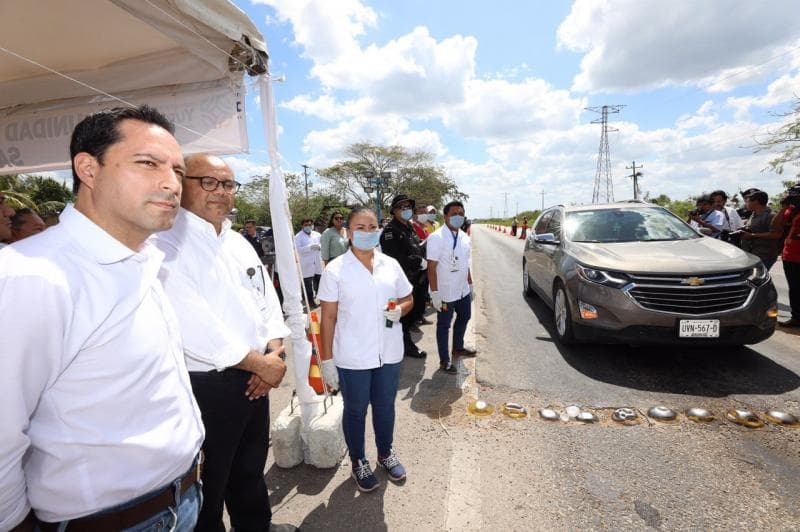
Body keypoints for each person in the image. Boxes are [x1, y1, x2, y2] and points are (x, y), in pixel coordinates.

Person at [0, 106, 205, 531]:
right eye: (147, 163)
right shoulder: (31, 276)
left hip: (183, 500)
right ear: (88, 169)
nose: (171, 183)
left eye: (178, 171)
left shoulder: (144, 261)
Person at [155, 154, 295, 532]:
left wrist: (274, 351)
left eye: (229, 184)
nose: (221, 192)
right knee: (209, 481)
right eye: (209, 182)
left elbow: (266, 302)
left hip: (258, 376)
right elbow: (194, 325)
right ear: (181, 185)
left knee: (250, 469)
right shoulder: (166, 244)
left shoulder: (237, 242)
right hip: (209, 386)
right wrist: (261, 365)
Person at [317, 206, 413, 492]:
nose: (367, 232)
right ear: (348, 232)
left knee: (385, 407)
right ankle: (359, 460)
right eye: (360, 227)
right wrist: (327, 361)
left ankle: (385, 453)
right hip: (353, 356)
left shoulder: (390, 265)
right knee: (356, 410)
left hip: (389, 353)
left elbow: (408, 297)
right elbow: (328, 318)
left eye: (372, 227)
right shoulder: (335, 270)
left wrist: (400, 310)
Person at [427, 200, 477, 374]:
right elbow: (431, 267)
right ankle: (444, 360)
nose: (458, 217)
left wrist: (470, 284)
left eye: (461, 214)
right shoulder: (436, 237)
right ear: (445, 216)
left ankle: (458, 348)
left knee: (465, 316)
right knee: (444, 325)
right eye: (454, 214)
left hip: (462, 289)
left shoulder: (464, 237)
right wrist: (435, 293)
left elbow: (465, 263)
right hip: (445, 292)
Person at [380, 194, 428, 359]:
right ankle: (405, 346)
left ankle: (402, 342)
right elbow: (394, 257)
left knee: (416, 311)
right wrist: (417, 261)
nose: (406, 210)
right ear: (394, 210)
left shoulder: (410, 227)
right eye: (402, 207)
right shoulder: (390, 231)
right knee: (403, 316)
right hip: (402, 279)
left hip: (417, 277)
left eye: (409, 207)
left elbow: (415, 246)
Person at [738, 190, 781, 270]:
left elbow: (776, 234)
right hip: (752, 253)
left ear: (756, 202)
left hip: (764, 255)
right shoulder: (754, 214)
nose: (746, 204)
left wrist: (752, 235)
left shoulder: (770, 216)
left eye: (748, 201)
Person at [777, 186, 800, 328]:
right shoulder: (791, 210)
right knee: (795, 288)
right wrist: (784, 206)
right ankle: (796, 317)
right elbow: (776, 225)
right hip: (790, 255)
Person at [296, 218, 323, 305]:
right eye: (306, 225)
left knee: (319, 282)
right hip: (306, 263)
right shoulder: (298, 236)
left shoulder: (317, 234)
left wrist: (319, 246)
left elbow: (322, 244)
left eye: (310, 225)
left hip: (317, 261)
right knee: (308, 284)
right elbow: (298, 249)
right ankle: (310, 302)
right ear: (302, 226)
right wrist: (309, 247)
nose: (308, 226)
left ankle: (321, 299)